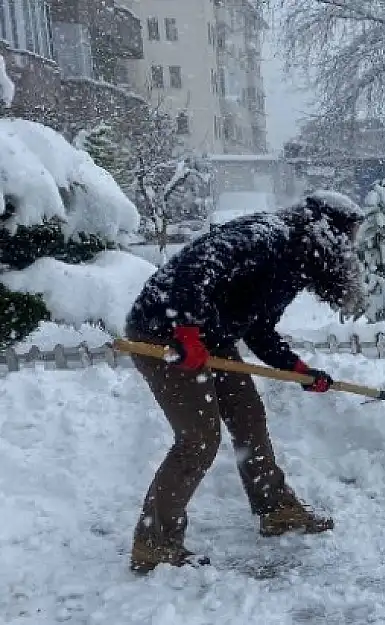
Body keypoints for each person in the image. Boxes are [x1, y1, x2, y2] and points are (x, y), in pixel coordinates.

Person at [123, 190, 368, 574]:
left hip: (209, 336)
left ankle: (276, 510)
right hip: (163, 334)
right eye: (347, 238)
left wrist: (299, 369)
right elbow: (195, 269)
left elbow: (259, 330)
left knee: (248, 418)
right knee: (198, 440)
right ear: (326, 232)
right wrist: (186, 331)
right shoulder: (265, 235)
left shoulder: (292, 264)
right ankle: (155, 543)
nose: (349, 250)